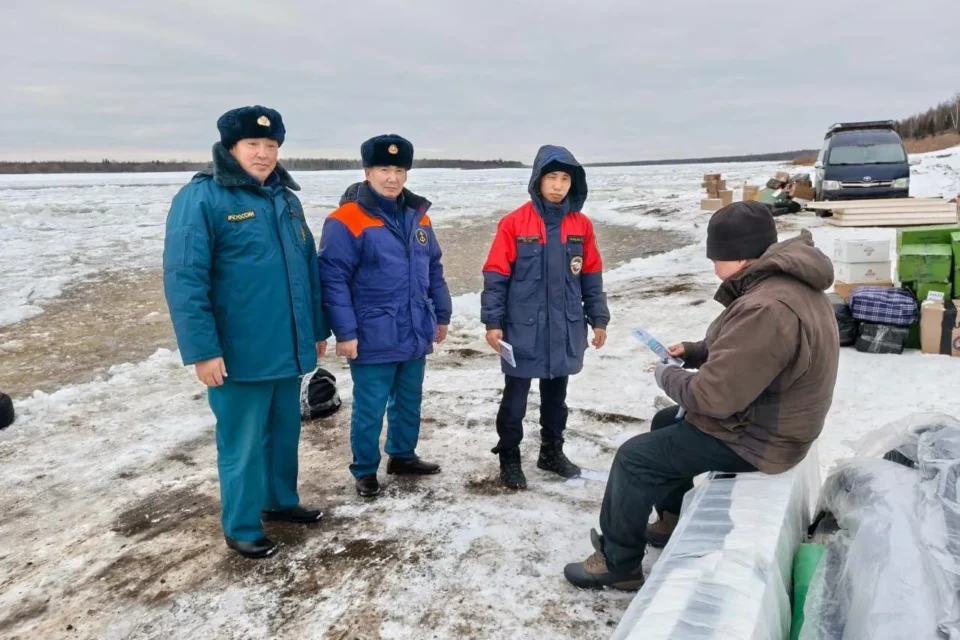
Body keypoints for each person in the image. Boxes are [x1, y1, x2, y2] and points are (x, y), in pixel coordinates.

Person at [564, 201, 839, 590]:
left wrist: (667, 374)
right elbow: (756, 355)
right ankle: (672, 519)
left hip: (764, 438)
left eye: (716, 256)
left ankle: (618, 562)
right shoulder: (784, 286)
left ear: (740, 256)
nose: (713, 266)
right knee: (665, 423)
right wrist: (694, 352)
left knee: (635, 459)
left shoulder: (767, 306)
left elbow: (712, 398)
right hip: (772, 418)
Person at [163, 105, 330, 560]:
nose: (263, 153)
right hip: (238, 353)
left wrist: (316, 329)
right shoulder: (201, 199)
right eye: (253, 145)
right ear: (231, 147)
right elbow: (184, 278)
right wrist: (202, 350)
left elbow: (306, 270)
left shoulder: (286, 200)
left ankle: (280, 501)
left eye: (271, 145)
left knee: (284, 431)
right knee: (242, 440)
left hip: (286, 346)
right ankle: (240, 524)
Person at [318, 134, 451, 498]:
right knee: (370, 406)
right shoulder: (346, 220)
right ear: (367, 171)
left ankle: (402, 455)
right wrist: (345, 333)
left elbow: (433, 269)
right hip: (371, 332)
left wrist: (441, 314)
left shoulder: (418, 217)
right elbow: (333, 280)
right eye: (384, 169)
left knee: (409, 398)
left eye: (399, 170)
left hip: (413, 327)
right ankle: (364, 469)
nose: (392, 178)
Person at [480, 145, 609, 489]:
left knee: (557, 398)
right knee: (515, 401)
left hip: (564, 327)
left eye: (565, 178)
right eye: (551, 177)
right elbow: (495, 275)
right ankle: (509, 456)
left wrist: (598, 318)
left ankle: (551, 452)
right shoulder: (514, 223)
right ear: (538, 180)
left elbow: (591, 276)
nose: (558, 185)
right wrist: (492, 323)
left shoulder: (581, 226)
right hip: (523, 330)